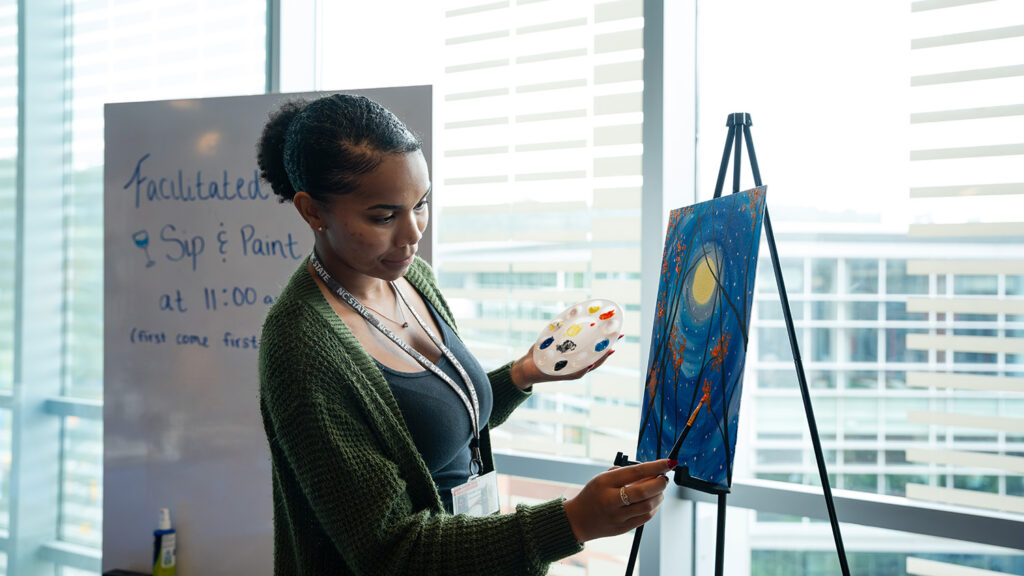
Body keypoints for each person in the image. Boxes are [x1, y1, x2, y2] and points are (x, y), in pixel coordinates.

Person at [256, 93, 675, 576]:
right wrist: (573, 520)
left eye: (422, 204)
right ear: (312, 211)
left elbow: (439, 426)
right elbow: (391, 551)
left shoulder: (414, 279)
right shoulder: (300, 347)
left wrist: (522, 374)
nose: (412, 234)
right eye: (384, 216)